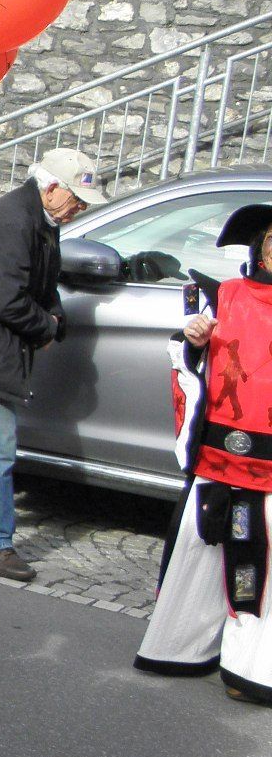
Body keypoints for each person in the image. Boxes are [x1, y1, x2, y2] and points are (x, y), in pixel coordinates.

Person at [0, 146, 103, 582]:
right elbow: (3, 298)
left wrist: (55, 322)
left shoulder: (40, 219)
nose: (80, 210)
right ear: (51, 188)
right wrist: (46, 328)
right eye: (77, 200)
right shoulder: (13, 221)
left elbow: (42, 286)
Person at [135, 203, 272, 705]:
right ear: (260, 248)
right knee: (202, 551)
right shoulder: (223, 296)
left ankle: (251, 668)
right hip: (219, 456)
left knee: (264, 568)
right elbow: (189, 358)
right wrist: (192, 342)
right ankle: (184, 646)